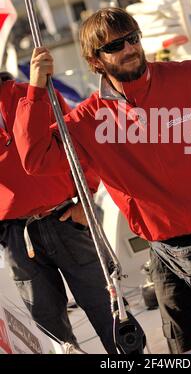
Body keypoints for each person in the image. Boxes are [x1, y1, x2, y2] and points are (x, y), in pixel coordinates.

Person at [13, 7, 191, 354]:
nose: (129, 49)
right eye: (114, 46)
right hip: (167, 251)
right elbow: (35, 159)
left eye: (133, 39)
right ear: (95, 62)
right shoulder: (88, 121)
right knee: (187, 353)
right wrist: (35, 90)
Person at [0, 71, 116, 353]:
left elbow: (79, 143)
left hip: (67, 219)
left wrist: (86, 198)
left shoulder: (35, 94)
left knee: (108, 311)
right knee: (50, 329)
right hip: (16, 235)